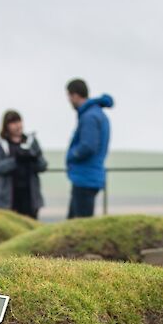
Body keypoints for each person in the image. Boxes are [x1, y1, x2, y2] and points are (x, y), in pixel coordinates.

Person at [64, 78, 113, 219]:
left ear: (75, 95)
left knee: (78, 226)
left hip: (85, 177)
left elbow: (88, 146)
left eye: (68, 96)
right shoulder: (95, 114)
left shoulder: (89, 116)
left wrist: (72, 155)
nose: (69, 101)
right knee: (73, 222)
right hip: (88, 176)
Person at [0, 110, 47, 219]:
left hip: (30, 197)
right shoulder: (1, 144)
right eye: (13, 123)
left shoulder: (31, 142)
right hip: (8, 199)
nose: (17, 126)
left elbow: (43, 166)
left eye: (19, 121)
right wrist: (15, 160)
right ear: (6, 126)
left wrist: (33, 158)